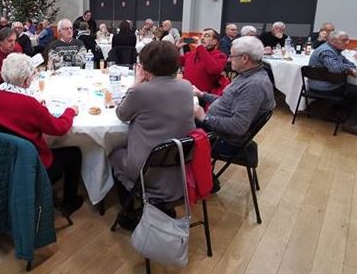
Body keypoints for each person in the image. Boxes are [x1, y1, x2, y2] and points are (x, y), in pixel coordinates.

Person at [0, 53, 84, 215]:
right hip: (32, 164)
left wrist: (36, 107)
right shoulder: (30, 105)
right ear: (26, 80)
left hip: (2, 158)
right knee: (74, 153)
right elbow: (59, 128)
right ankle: (69, 202)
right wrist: (70, 111)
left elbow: (11, 112)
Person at [110, 40, 195, 212]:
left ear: (146, 68)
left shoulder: (140, 92)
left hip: (147, 167)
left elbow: (121, 114)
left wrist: (136, 82)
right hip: (181, 161)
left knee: (113, 153)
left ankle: (128, 211)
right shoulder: (186, 87)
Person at [193, 36, 275, 153]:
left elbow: (238, 126)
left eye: (231, 56)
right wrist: (202, 94)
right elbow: (227, 101)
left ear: (244, 58)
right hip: (217, 130)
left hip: (222, 139)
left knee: (176, 126)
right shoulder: (248, 74)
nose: (228, 60)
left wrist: (204, 118)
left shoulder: (254, 85)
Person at [308, 31, 357, 138]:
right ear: (332, 41)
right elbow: (336, 68)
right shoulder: (326, 51)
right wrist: (349, 69)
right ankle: (352, 123)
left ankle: (343, 114)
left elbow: (348, 62)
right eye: (344, 40)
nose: (347, 42)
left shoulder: (335, 50)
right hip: (326, 88)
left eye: (347, 39)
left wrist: (350, 67)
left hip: (330, 85)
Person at [179, 28, 228, 94]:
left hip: (204, 97)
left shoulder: (220, 56)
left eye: (206, 36)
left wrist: (200, 48)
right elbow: (175, 62)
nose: (202, 38)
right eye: (201, 35)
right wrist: (176, 48)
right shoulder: (191, 54)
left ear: (214, 42)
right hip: (186, 94)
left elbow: (213, 70)